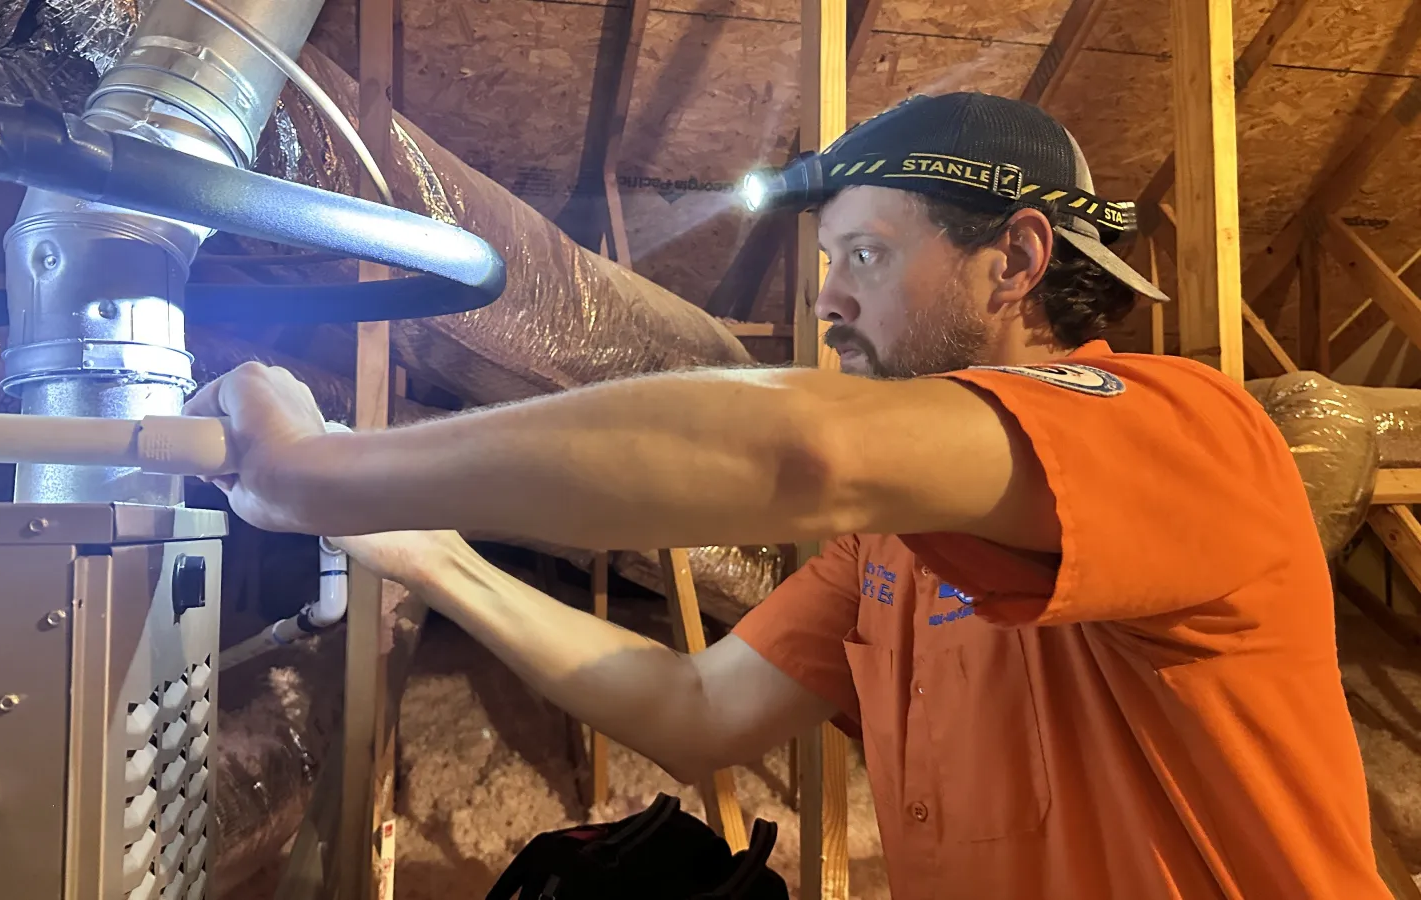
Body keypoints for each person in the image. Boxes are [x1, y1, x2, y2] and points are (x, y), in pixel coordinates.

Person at [186, 93, 1388, 898]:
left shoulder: (1182, 431)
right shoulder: (894, 547)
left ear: (1016, 261)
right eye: (826, 263)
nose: (825, 300)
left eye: (865, 255)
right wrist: (432, 555)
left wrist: (315, 475)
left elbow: (803, 448)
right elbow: (695, 705)